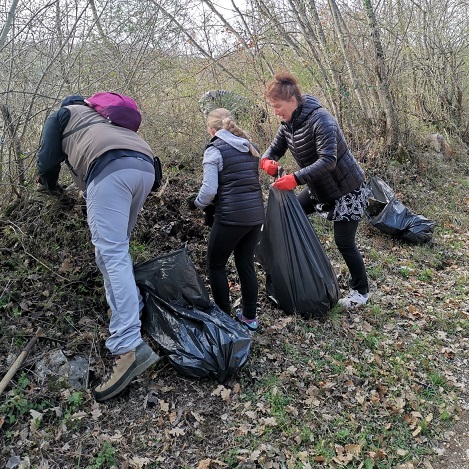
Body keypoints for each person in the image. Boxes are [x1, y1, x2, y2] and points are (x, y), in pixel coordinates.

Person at [36, 94, 160, 402]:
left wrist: (49, 187)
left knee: (112, 254)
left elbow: (47, 159)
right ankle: (127, 315)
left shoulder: (63, 114)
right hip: (144, 167)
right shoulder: (105, 118)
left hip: (110, 171)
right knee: (116, 253)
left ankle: (128, 347)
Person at [260, 72, 370, 309]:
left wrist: (295, 178)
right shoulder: (289, 125)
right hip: (318, 188)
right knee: (288, 214)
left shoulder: (322, 120)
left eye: (278, 106)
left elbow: (328, 160)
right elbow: (274, 149)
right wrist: (266, 160)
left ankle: (361, 291)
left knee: (344, 242)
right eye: (273, 107)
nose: (276, 112)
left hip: (346, 190)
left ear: (292, 100)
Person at [187, 108, 265, 332]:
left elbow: (209, 190)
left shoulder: (214, 150)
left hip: (231, 217)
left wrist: (196, 204)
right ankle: (249, 318)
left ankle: (224, 318)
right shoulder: (249, 146)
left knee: (215, 264)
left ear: (211, 130)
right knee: (245, 263)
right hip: (255, 216)